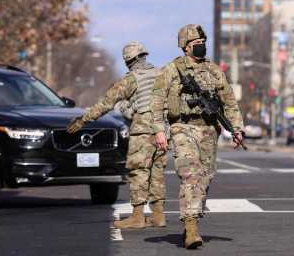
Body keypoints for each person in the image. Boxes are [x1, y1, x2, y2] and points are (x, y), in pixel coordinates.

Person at [150, 24, 244, 249]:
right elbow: (157, 101)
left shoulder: (213, 70)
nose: (200, 47)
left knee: (205, 177)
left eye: (203, 43)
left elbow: (229, 101)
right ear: (185, 47)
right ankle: (191, 228)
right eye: (195, 44)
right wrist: (159, 130)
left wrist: (237, 128)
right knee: (190, 175)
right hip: (183, 127)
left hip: (209, 130)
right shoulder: (172, 70)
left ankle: (192, 218)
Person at [66, 41, 167, 229]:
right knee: (157, 171)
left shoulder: (131, 79)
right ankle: (159, 215)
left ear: (128, 60)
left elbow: (106, 103)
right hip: (162, 130)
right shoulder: (161, 74)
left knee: (138, 171)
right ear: (144, 55)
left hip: (143, 130)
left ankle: (137, 217)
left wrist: (82, 120)